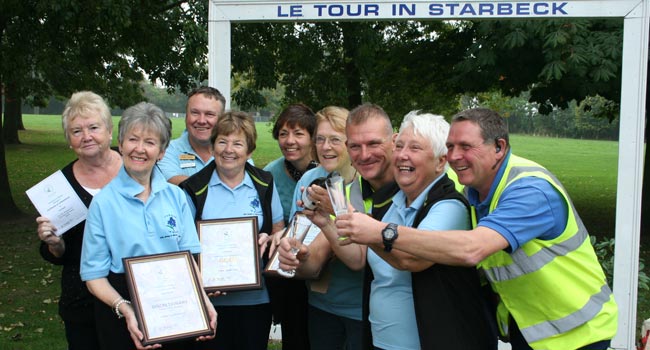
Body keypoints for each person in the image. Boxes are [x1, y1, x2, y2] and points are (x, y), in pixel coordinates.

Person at [339, 107, 618, 350]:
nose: (454, 156)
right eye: (450, 147)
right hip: (531, 329)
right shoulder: (475, 189)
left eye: (465, 147)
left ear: (499, 148)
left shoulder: (529, 189)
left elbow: (472, 249)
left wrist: (381, 232)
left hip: (577, 334)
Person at [305, 111, 494, 349]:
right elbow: (360, 257)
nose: (402, 155)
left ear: (440, 161)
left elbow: (409, 259)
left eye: (415, 148)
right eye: (400, 146)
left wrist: (349, 213)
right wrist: (325, 221)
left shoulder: (449, 206)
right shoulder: (393, 201)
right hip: (383, 342)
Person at [80, 102, 217, 350]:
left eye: (150, 142)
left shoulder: (176, 197)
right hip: (123, 308)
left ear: (162, 151)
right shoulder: (103, 204)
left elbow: (188, 257)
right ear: (120, 145)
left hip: (176, 308)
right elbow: (94, 277)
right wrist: (126, 309)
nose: (140, 149)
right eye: (133, 139)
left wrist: (203, 300)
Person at [180, 111, 285, 350]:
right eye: (222, 141)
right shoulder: (194, 188)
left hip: (256, 299)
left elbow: (278, 228)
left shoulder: (265, 183)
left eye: (238, 143)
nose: (229, 149)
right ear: (213, 145)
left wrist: (269, 239)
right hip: (209, 301)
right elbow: (184, 244)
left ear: (249, 151)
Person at [36, 91, 121, 349]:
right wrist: (54, 242)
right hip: (82, 298)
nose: (86, 137)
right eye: (76, 131)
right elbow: (59, 253)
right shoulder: (59, 187)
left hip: (135, 288)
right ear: (68, 140)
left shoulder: (135, 166)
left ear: (109, 130)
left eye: (94, 127)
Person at [282, 106, 364, 350]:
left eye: (335, 140)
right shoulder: (308, 180)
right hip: (320, 302)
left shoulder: (366, 181)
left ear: (350, 142)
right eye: (320, 139)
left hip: (361, 306)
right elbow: (296, 231)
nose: (326, 147)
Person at [263, 103, 318, 350]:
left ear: (312, 137)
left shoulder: (325, 171)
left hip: (322, 269)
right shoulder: (269, 174)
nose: (289, 141)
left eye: (298, 133)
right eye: (283, 133)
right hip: (287, 275)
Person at [158, 86, 226, 185]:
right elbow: (172, 182)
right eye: (195, 113)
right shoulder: (166, 151)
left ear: (222, 120)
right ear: (186, 116)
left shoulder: (235, 150)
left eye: (209, 114)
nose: (201, 121)